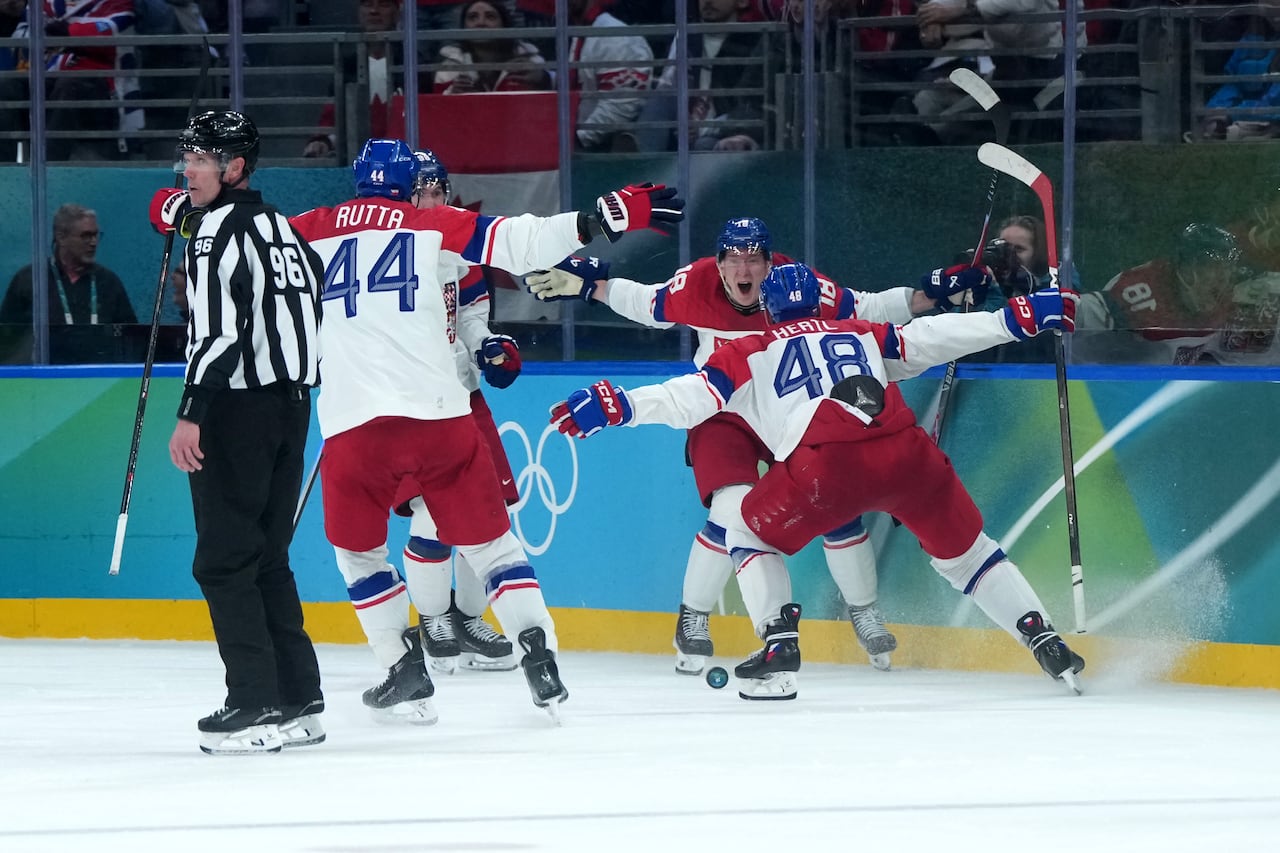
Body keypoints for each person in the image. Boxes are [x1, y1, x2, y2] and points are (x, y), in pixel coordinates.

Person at [549, 262, 1086, 700]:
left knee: (747, 533)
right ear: (819, 302)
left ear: (770, 308)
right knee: (970, 556)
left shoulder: (747, 349)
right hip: (906, 451)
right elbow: (929, 337)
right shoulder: (861, 333)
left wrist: (620, 406)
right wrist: (1012, 320)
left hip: (825, 465)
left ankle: (779, 648)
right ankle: (1042, 636)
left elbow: (689, 397)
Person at [288, 137, 685, 722]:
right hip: (441, 418)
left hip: (355, 425)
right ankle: (536, 649)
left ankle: (403, 667)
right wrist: (600, 217)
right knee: (495, 546)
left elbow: (234, 248)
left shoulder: (309, 228)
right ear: (406, 185)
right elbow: (523, 242)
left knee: (360, 557)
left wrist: (181, 210)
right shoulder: (435, 227)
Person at [526, 216, 991, 673]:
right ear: (719, 262)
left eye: (753, 260)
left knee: (838, 504)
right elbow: (646, 302)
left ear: (771, 264)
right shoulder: (695, 284)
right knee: (731, 511)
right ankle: (693, 615)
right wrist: (591, 287)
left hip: (789, 414)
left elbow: (865, 308)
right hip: (723, 411)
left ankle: (864, 610)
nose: (743, 271)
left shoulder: (796, 285)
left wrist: (928, 295)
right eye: (733, 259)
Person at [146, 110, 326, 755]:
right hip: (293, 404)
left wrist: (192, 411)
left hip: (235, 409)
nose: (187, 169)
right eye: (185, 157)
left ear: (236, 167)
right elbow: (310, 297)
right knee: (266, 556)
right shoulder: (280, 227)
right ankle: (299, 698)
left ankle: (253, 702)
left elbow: (221, 332)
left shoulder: (216, 232)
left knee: (224, 561)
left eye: (200, 159)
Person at [390, 150, 523, 687]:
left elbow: (468, 318)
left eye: (440, 191)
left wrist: (488, 345)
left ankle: (467, 621)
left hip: (460, 396)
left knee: (487, 511)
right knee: (432, 516)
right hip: (408, 404)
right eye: (422, 192)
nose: (434, 202)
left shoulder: (458, 252)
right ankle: (433, 621)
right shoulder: (385, 253)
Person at [1075, 223, 1257, 365]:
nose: (1222, 280)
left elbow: (1227, 359)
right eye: (1211, 268)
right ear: (1185, 267)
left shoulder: (1234, 300)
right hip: (1114, 391)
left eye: (1227, 271)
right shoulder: (1140, 293)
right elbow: (1078, 315)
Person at [2, 1, 144, 160]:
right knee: (6, 85)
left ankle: (50, 167)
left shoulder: (116, 2)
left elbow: (115, 28)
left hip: (102, 85)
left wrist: (69, 32)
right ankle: (5, 172)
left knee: (68, 85)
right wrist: (50, 35)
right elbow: (23, 34)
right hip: (50, 75)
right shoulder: (44, 3)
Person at [303, 0, 410, 159]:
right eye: (367, 4)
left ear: (397, 13)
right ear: (359, 13)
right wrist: (323, 141)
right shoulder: (346, 67)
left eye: (384, 4)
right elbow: (333, 118)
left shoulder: (413, 65)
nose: (374, 11)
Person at [0, 204, 137, 327]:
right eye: (86, 236)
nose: (94, 242)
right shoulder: (30, 280)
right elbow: (7, 342)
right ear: (61, 237)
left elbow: (131, 340)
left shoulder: (108, 282)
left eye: (95, 235)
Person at [568, 0, 654, 152]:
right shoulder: (580, 33)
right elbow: (581, 83)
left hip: (601, 146)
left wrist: (580, 139)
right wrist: (545, 77)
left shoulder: (616, 37)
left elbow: (621, 102)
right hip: (580, 139)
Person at [431, 0, 550, 94]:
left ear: (505, 25)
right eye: (473, 17)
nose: (481, 23)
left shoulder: (529, 59)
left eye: (490, 17)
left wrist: (543, 79)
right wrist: (450, 93)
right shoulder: (450, 65)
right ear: (464, 27)